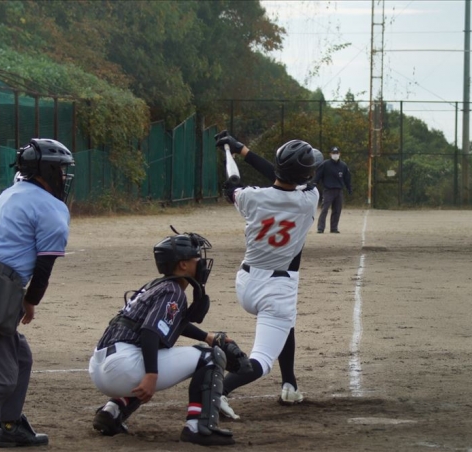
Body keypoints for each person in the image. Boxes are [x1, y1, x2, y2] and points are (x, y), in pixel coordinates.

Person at [0, 139, 75, 452]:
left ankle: (10, 425)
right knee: (1, 376)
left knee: (19, 355)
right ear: (46, 170)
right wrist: (30, 301)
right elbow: (44, 268)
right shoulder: (52, 207)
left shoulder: (10, 193)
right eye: (61, 169)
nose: (64, 176)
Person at [89, 230, 241, 446]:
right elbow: (150, 332)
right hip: (122, 367)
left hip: (102, 365)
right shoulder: (173, 291)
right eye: (196, 258)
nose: (201, 263)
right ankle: (198, 427)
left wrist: (207, 336)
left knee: (161, 352)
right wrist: (151, 375)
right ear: (183, 265)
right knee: (210, 357)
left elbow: (170, 321)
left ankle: (113, 410)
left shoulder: (156, 285)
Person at [213, 130, 323, 420]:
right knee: (261, 361)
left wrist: (236, 162)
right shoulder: (309, 199)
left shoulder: (250, 197)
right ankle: (218, 391)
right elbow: (287, 179)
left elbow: (239, 188)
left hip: (246, 283)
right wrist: (243, 150)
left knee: (286, 323)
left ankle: (290, 384)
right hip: (276, 289)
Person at [313, 146, 352, 233]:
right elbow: (318, 175)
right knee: (324, 209)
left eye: (337, 153)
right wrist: (315, 182)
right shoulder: (325, 164)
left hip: (339, 190)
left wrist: (349, 187)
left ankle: (334, 228)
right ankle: (320, 228)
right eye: (333, 153)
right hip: (328, 190)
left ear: (339, 154)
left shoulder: (343, 166)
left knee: (337, 210)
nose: (335, 155)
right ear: (330, 154)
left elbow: (347, 178)